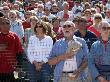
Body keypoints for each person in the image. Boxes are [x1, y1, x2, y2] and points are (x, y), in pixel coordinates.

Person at [0, 17, 24, 82]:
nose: (5, 25)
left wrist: (19, 66)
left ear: (10, 26)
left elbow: (20, 52)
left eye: (7, 23)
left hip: (11, 68)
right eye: (2, 23)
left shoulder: (14, 36)